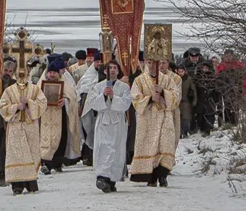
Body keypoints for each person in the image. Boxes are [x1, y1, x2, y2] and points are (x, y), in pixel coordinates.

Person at [130, 56, 181, 187]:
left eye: (154, 63)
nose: (152, 65)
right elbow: (135, 98)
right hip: (148, 118)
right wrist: (150, 98)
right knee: (149, 146)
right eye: (149, 62)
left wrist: (163, 92)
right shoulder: (139, 80)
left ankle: (162, 175)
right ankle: (150, 176)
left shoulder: (168, 80)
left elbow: (176, 97)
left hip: (164, 116)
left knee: (165, 144)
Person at [0, 58, 47, 194]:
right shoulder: (9, 91)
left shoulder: (35, 89)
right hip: (15, 126)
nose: (21, 77)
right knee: (17, 155)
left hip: (30, 126)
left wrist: (29, 103)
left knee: (31, 154)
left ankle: (31, 183)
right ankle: (17, 185)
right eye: (19, 74)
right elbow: (2, 107)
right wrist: (16, 107)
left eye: (24, 74)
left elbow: (43, 103)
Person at [85, 59, 133, 193]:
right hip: (104, 121)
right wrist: (103, 96)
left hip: (117, 122)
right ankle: (101, 177)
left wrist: (113, 97)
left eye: (115, 68)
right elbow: (92, 103)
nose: (112, 70)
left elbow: (126, 104)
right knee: (103, 147)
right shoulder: (98, 86)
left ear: (118, 71)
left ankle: (111, 180)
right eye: (109, 68)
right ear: (105, 71)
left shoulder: (124, 87)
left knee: (116, 149)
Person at [39, 56, 82, 173]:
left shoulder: (64, 82)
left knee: (61, 138)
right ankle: (46, 164)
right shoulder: (41, 83)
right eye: (50, 72)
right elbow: (35, 97)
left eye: (54, 72)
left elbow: (72, 97)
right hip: (45, 116)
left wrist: (65, 101)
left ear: (58, 73)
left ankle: (57, 163)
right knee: (45, 139)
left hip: (60, 114)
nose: (52, 75)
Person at [77, 51, 103, 166]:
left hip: (102, 110)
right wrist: (80, 106)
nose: (99, 64)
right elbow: (81, 92)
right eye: (97, 61)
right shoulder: (87, 76)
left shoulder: (107, 76)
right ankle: (88, 157)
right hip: (88, 110)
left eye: (101, 61)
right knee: (88, 130)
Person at [193, 57, 217, 137]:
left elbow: (216, 91)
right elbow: (194, 89)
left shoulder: (213, 78)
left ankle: (207, 131)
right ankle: (200, 129)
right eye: (204, 67)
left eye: (207, 68)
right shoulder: (198, 77)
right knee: (200, 116)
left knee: (209, 116)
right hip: (200, 100)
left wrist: (215, 99)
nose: (205, 69)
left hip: (210, 100)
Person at [175, 63, 197, 138]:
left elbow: (194, 90)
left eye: (182, 71)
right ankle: (179, 133)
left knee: (186, 118)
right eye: (179, 71)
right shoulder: (175, 79)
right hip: (177, 102)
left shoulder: (189, 79)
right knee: (178, 118)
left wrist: (194, 100)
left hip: (186, 101)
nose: (180, 73)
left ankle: (185, 131)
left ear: (185, 71)